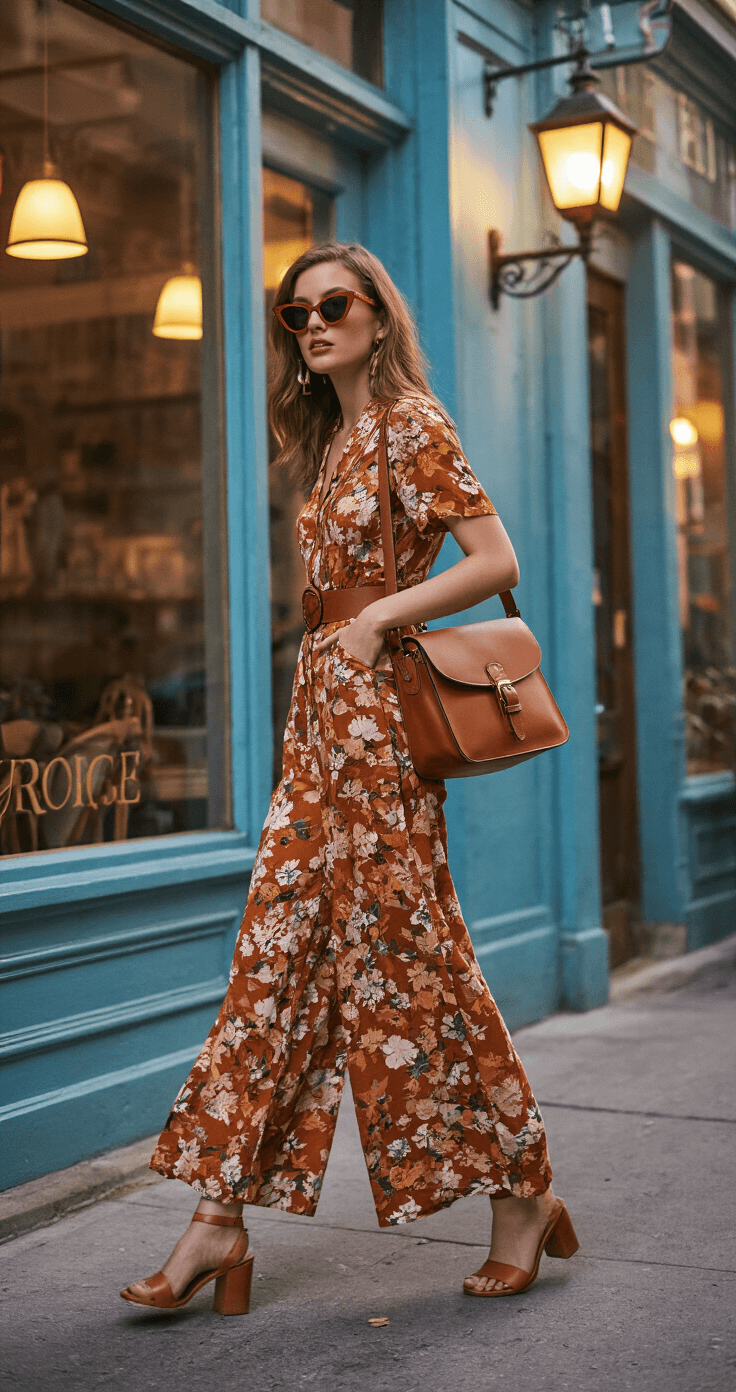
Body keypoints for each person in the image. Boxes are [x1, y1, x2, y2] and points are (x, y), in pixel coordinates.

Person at [120, 242, 578, 1316]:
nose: (314, 324)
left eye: (335, 305)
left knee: (412, 961)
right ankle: (215, 1223)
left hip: (377, 729)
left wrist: (380, 615)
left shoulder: (412, 422)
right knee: (273, 960)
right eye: (296, 315)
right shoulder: (334, 440)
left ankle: (523, 1187)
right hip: (320, 723)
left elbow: (494, 560)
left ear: (378, 316)